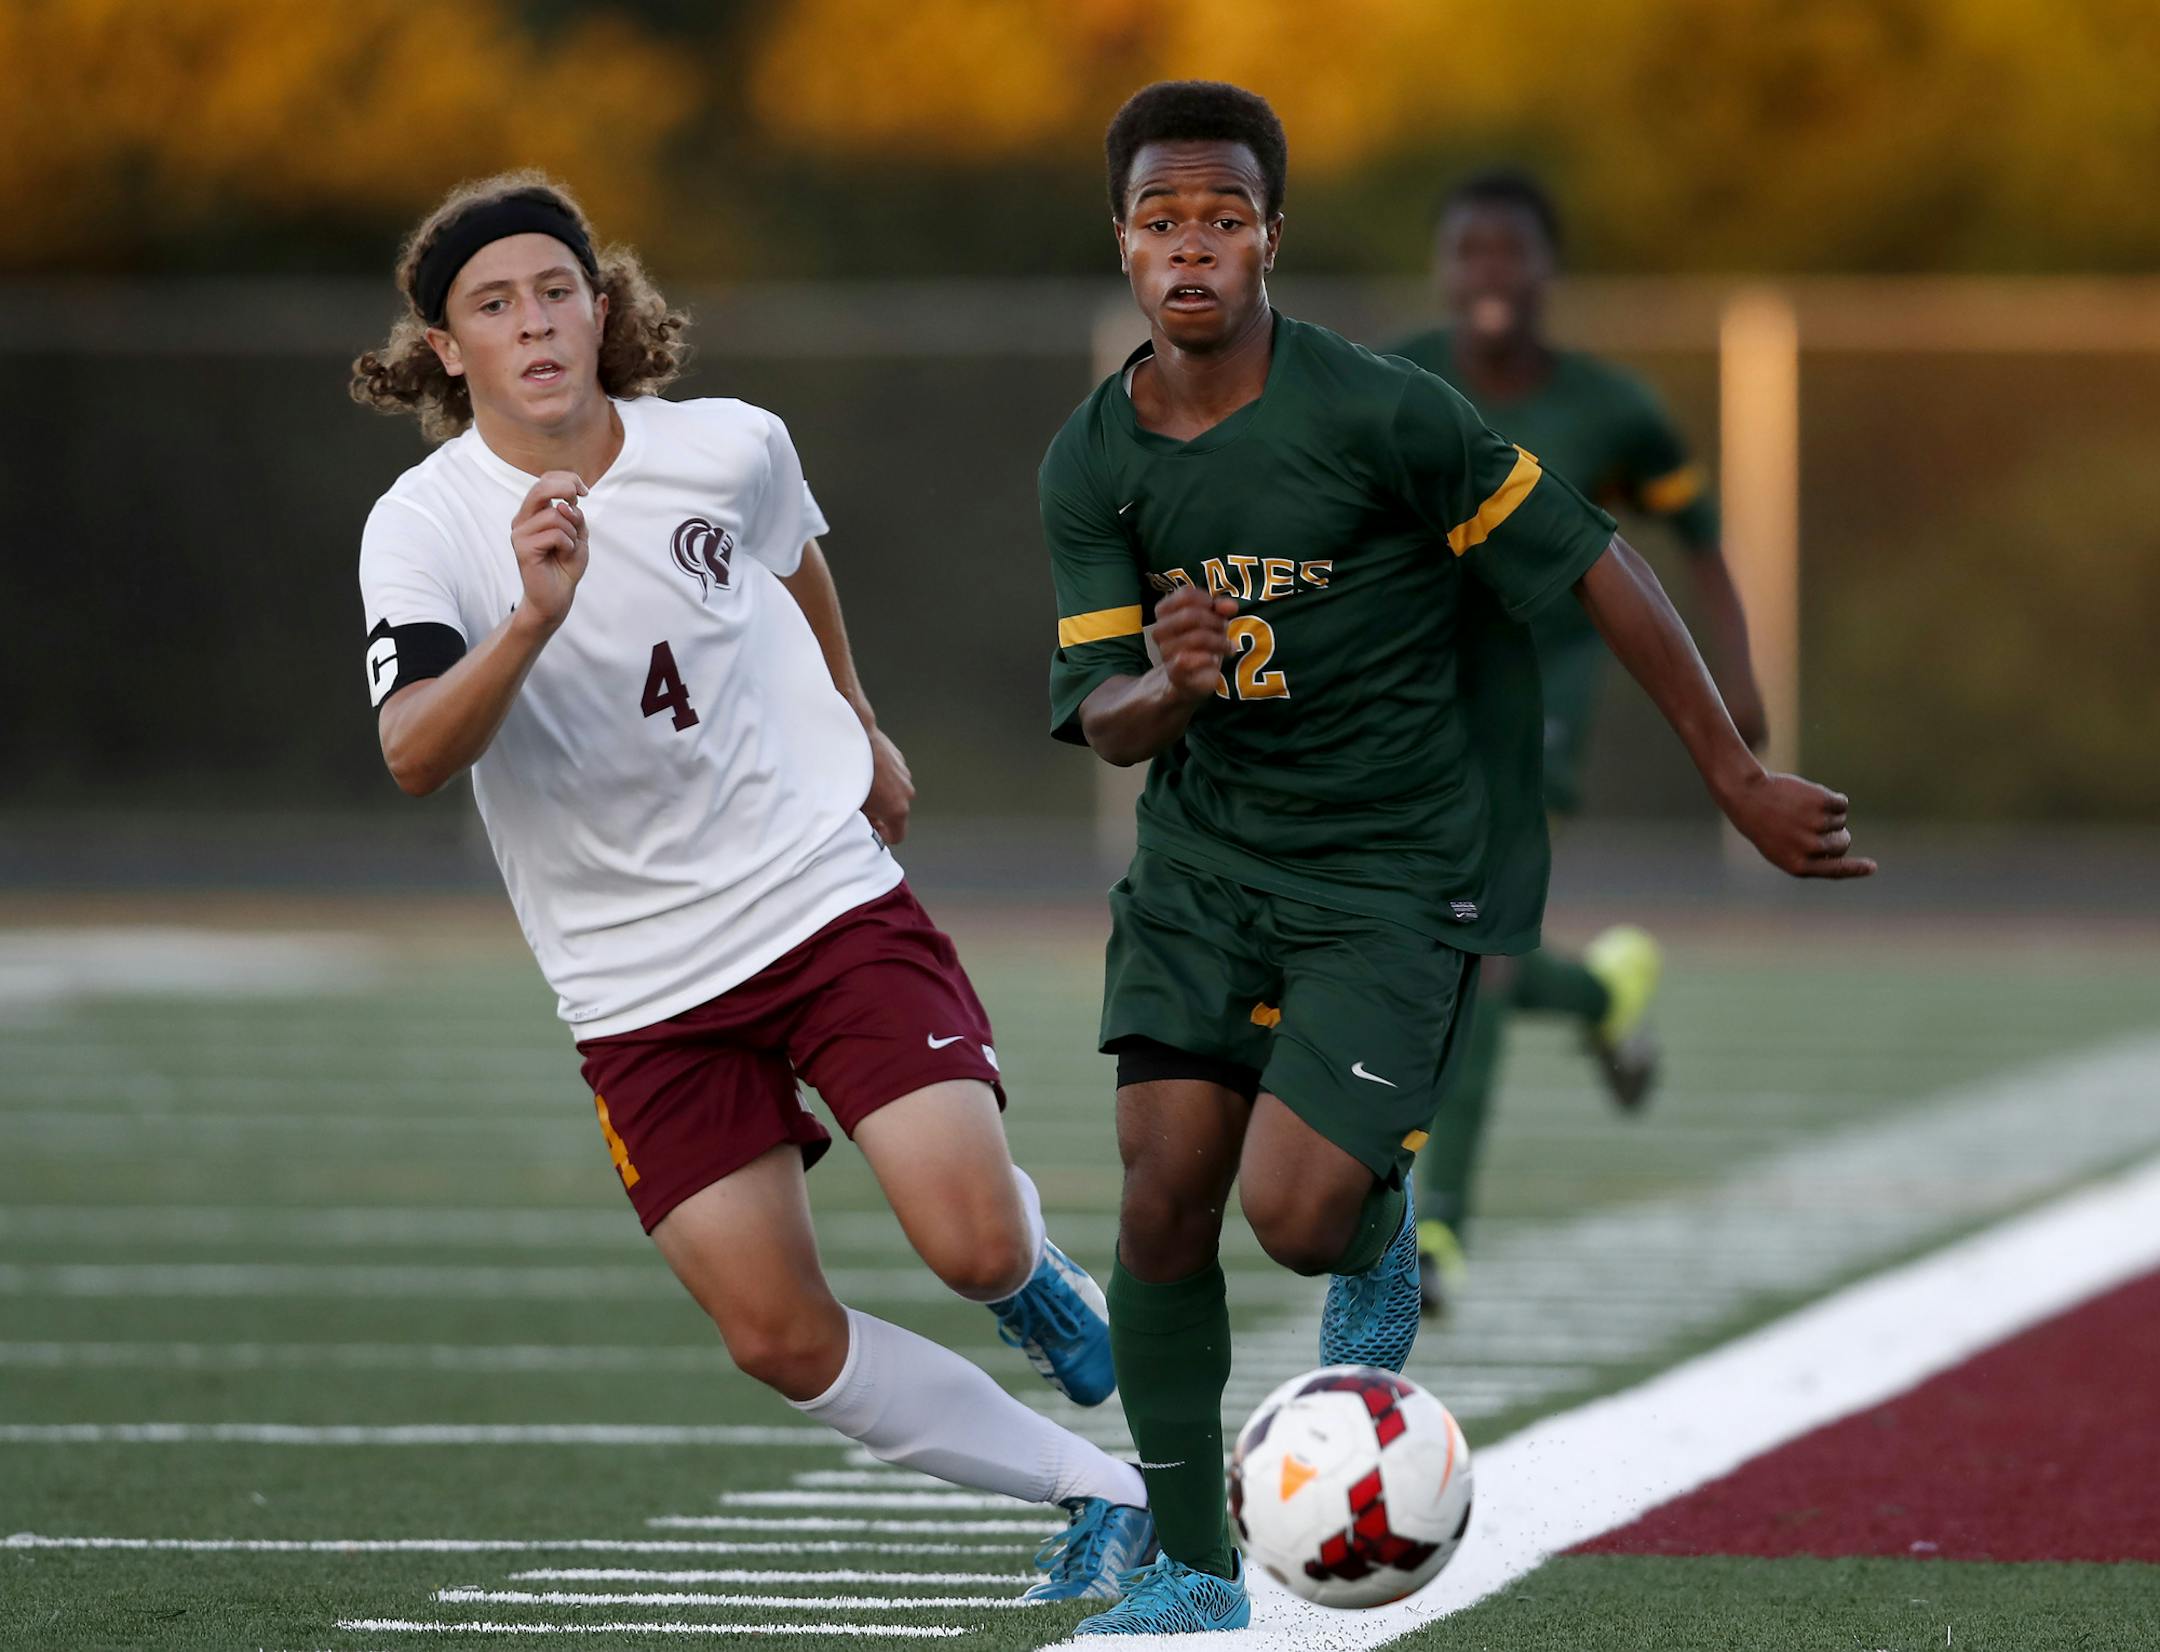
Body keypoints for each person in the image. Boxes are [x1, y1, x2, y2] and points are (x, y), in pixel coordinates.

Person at [1038, 83, 1871, 1634]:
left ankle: (1376, 1221)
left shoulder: (1384, 412)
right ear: (1126, 246)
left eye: (1224, 218)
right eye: (1163, 223)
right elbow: (1101, 712)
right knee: (1162, 1202)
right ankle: (1192, 1571)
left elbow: (1601, 560)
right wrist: (1170, 683)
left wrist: (1736, 775)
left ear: (1270, 237)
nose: (1193, 248)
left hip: (1394, 867)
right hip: (1205, 866)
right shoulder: (1091, 459)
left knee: (1290, 1220)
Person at [349, 171, 1153, 1602]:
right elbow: (414, 751)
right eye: (493, 305)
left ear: (601, 312)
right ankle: (1097, 1490)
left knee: (966, 1242)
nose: (532, 322)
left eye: (555, 291)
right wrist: (533, 618)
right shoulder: (421, 527)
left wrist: (858, 719)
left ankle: (1031, 1270)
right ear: (443, 350)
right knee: (778, 1339)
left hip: (813, 895)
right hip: (634, 985)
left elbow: (791, 565)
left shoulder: (731, 445)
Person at [1387, 169, 1772, 1314]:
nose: (1491, 274)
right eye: (1471, 252)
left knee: (1479, 948)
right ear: (1447, 270)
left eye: (1513, 252)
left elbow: (1696, 536)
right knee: (1428, 941)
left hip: (1542, 685)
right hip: (1417, 684)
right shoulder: (1394, 378)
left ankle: (1439, 1231)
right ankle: (1602, 992)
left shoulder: (1612, 409)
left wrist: (1738, 675)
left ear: (1547, 270)